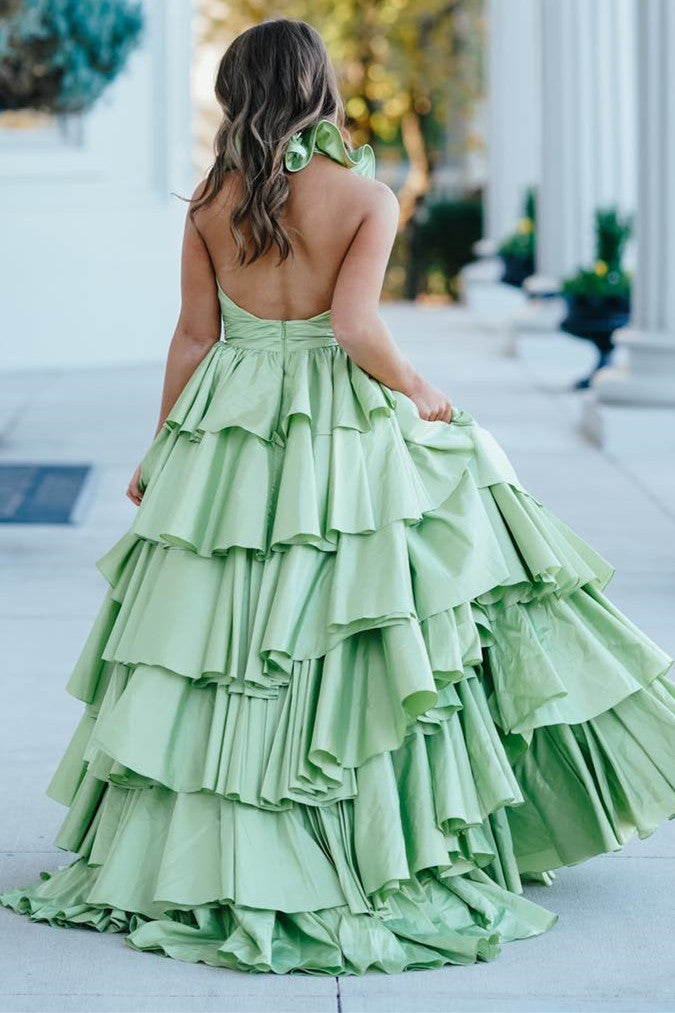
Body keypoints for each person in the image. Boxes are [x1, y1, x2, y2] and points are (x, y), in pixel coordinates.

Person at [2, 18, 674, 976]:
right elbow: (355, 326)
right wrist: (419, 388)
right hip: (333, 423)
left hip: (231, 422)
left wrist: (161, 441)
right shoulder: (366, 195)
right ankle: (360, 832)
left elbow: (193, 338)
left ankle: (215, 841)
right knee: (348, 616)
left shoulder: (207, 203)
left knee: (227, 635)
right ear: (318, 87)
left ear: (236, 92)